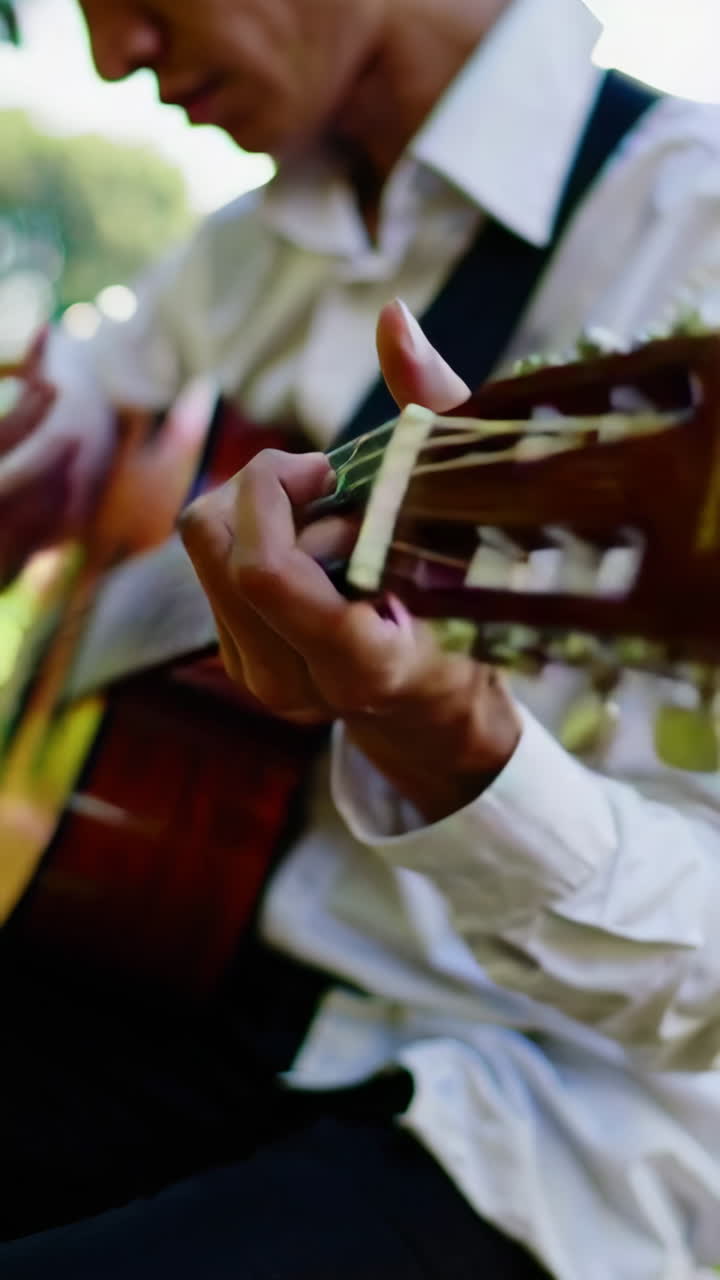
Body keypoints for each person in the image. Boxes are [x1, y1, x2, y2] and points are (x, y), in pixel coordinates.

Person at [4, 0, 720, 1276]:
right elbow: (97, 411)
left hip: (534, 1112)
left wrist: (470, 763)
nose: (112, 55)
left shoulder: (695, 232)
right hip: (171, 960)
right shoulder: (256, 244)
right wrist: (51, 477)